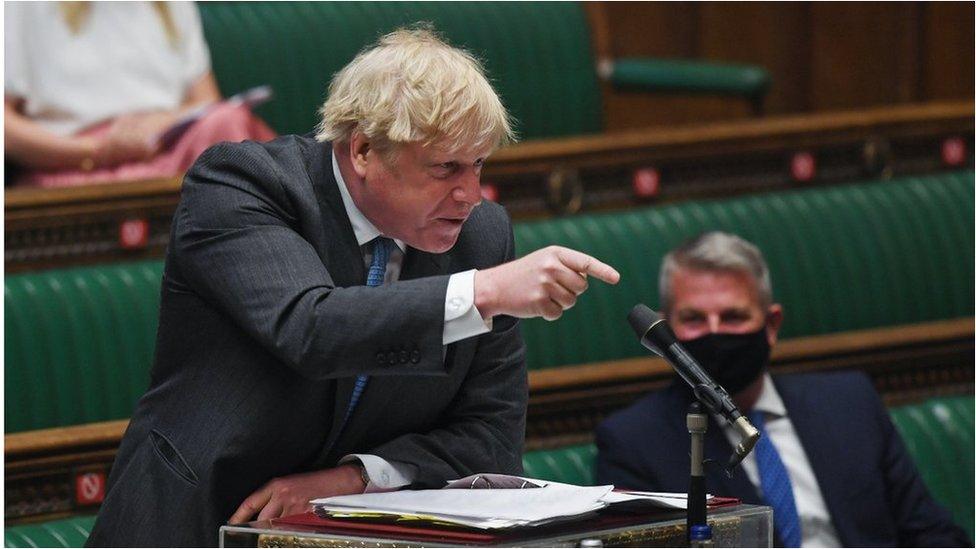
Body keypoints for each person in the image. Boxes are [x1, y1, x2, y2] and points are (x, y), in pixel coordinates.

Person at [86, 28, 620, 547]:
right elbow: (308, 327)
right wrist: (482, 293)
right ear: (363, 150)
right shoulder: (243, 186)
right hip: (196, 520)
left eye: (478, 164)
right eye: (446, 168)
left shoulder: (481, 237)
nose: (470, 195)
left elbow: (491, 437)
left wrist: (351, 481)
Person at [595, 232, 969, 547]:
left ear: (771, 324)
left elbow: (932, 534)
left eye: (733, 317)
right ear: (668, 335)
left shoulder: (849, 402)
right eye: (693, 320)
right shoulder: (633, 443)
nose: (714, 333)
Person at [4, 1, 275, 188]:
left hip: (169, 150)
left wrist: (163, 122)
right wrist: (98, 151)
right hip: (75, 166)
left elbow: (206, 100)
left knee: (227, 126)